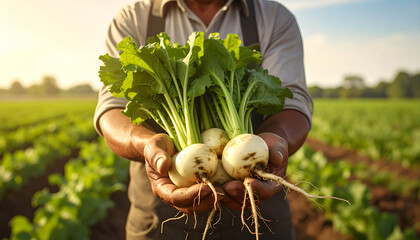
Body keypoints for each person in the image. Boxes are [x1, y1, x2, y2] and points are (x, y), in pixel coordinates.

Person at [94, 0, 313, 238]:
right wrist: (147, 146)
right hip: (163, 217)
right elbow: (112, 110)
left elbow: (293, 102)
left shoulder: (274, 17)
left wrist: (277, 140)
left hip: (258, 205)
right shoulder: (134, 18)